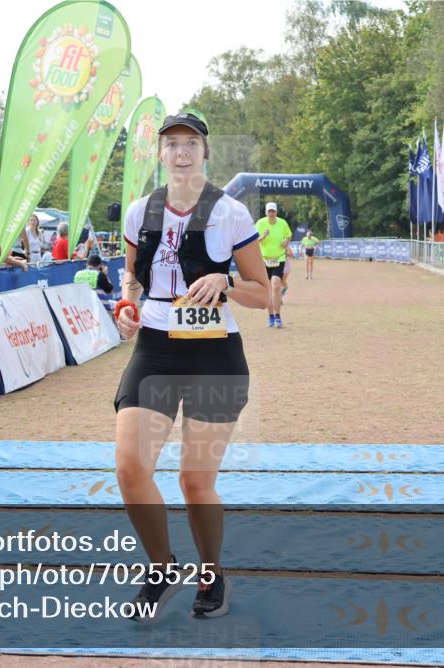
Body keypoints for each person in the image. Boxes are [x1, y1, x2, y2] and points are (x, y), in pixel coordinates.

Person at [114, 112, 269, 621]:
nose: (181, 151)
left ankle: (211, 572)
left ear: (205, 152)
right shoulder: (140, 211)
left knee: (194, 482)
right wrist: (127, 304)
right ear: (160, 154)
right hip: (156, 350)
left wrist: (225, 282)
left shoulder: (230, 214)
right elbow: (133, 277)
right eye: (172, 143)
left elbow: (262, 293)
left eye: (191, 143)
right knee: (131, 468)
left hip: (213, 356)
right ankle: (162, 569)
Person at [255, 202, 292, 327]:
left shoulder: (282, 223)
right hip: (264, 260)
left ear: (276, 212)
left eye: (273, 211)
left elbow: (288, 236)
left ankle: (278, 316)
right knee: (268, 289)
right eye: (269, 211)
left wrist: (286, 243)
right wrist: (263, 236)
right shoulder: (260, 223)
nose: (271, 213)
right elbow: (255, 240)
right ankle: (270, 316)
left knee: (276, 285)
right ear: (266, 212)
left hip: (279, 258)